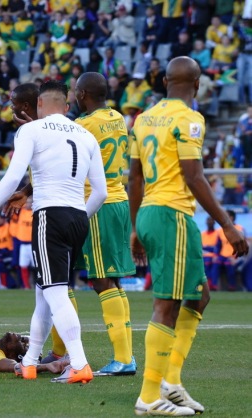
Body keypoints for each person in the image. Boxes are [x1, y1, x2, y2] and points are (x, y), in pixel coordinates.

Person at [128, 56, 249, 416]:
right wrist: (227, 223)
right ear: (197, 85)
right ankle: (149, 396)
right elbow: (193, 176)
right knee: (166, 305)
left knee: (199, 296)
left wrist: (135, 227)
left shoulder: (143, 119)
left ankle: (171, 382)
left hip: (150, 212)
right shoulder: (190, 118)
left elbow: (134, 177)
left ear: (165, 81)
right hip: (172, 215)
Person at [0, 80, 107, 384]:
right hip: (78, 215)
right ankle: (31, 361)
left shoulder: (32, 130)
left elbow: (13, 176)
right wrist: (79, 215)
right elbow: (100, 192)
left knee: (55, 293)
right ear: (66, 105)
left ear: (38, 104)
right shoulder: (86, 135)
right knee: (44, 294)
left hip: (50, 214)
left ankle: (80, 363)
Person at [59, 72, 136, 376]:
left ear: (82, 94)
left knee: (102, 280)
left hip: (97, 204)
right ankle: (126, 357)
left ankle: (123, 359)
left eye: (76, 91)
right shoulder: (118, 118)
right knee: (113, 280)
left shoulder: (84, 125)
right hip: (119, 201)